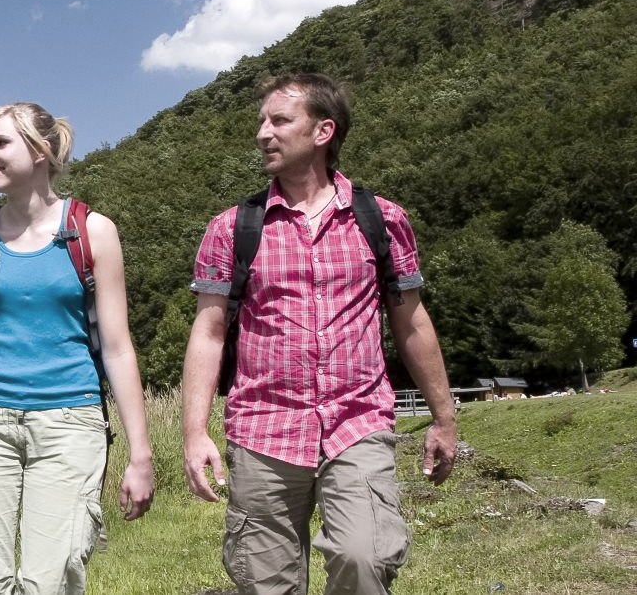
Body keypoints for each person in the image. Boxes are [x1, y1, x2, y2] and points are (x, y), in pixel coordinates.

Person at [180, 73, 457, 595]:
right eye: (261, 121)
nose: (263, 132)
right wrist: (194, 433)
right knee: (266, 584)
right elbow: (209, 332)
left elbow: (411, 322)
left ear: (323, 130)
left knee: (365, 558)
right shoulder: (233, 227)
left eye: (279, 120)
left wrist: (444, 417)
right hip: (263, 429)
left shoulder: (382, 219)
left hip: (357, 421)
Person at [0, 102, 155, 595]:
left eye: (0, 144)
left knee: (53, 577)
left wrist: (140, 453)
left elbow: (119, 349)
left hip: (70, 425)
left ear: (40, 151)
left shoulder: (93, 232)